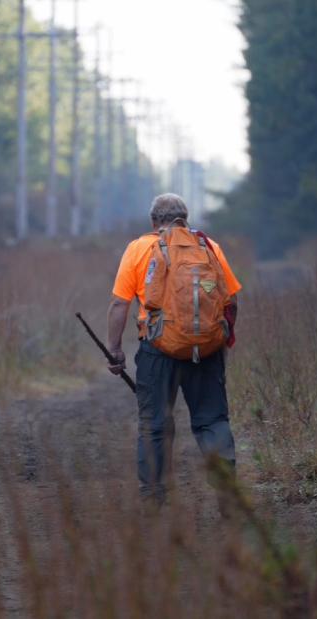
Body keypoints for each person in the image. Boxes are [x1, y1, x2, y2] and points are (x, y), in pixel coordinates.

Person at [106, 193, 241, 506]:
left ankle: (154, 500)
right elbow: (231, 301)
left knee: (154, 424)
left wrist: (115, 350)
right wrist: (216, 341)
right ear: (186, 217)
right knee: (212, 421)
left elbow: (119, 304)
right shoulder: (209, 247)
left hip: (157, 351)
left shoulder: (140, 248)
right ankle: (227, 492)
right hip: (206, 352)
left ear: (153, 222)